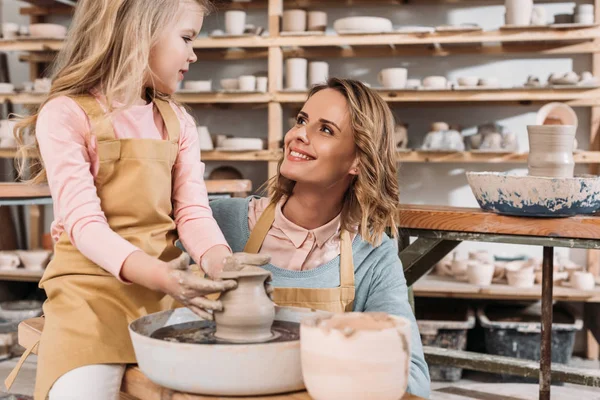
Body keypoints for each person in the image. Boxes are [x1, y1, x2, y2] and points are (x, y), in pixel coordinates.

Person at [7, 1, 267, 399]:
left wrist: (219, 260)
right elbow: (84, 225)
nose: (193, 54)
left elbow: (193, 211)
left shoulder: (179, 121)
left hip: (166, 295)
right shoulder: (66, 114)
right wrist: (163, 275)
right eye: (186, 38)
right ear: (139, 32)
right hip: (89, 296)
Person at [208, 77, 431, 398]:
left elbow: (412, 376)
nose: (298, 134)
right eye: (301, 121)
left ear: (357, 160)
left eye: (325, 129)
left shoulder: (371, 251)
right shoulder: (220, 222)